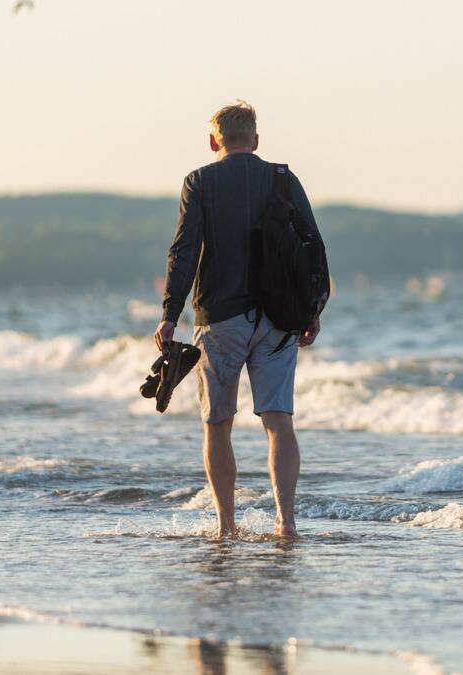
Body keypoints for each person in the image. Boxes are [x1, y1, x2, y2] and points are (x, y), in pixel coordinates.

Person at [154, 101, 321, 538]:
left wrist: (170, 315)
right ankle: (286, 523)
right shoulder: (284, 179)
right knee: (279, 421)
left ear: (214, 141)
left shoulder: (200, 182)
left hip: (221, 317)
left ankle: (227, 526)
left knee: (217, 424)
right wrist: (312, 310)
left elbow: (184, 251)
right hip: (279, 318)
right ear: (256, 140)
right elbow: (312, 246)